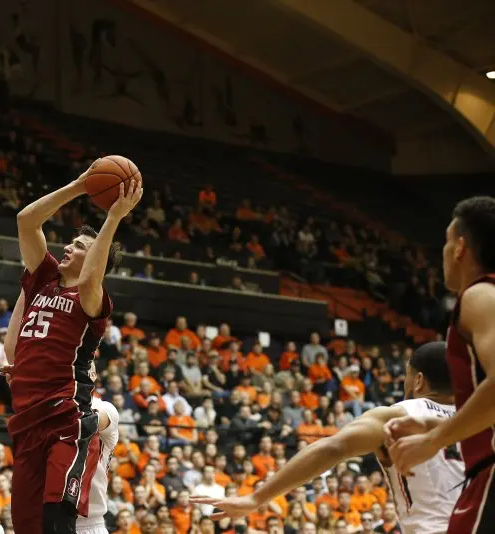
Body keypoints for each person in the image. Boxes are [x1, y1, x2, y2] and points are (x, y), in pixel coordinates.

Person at [192, 341, 463, 534]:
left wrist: (256, 498)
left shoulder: (397, 416)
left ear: (417, 380)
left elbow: (332, 448)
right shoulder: (479, 419)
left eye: (405, 377)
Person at [6, 159, 141, 533]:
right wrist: (80, 185)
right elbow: (26, 221)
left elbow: (90, 278)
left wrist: (112, 218)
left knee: (56, 521)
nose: (68, 246)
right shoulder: (43, 279)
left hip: (66, 418)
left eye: (80, 245)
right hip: (26, 420)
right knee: (26, 527)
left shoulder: (92, 299)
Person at [387, 196, 495, 534]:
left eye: (446, 242)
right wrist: (438, 426)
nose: (444, 253)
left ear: (460, 246)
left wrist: (433, 442)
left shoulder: (480, 296)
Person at [76, 364, 119, 534]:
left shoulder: (106, 409)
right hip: (48, 520)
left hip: (89, 524)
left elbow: (83, 419)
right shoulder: (49, 405)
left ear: (92, 374)